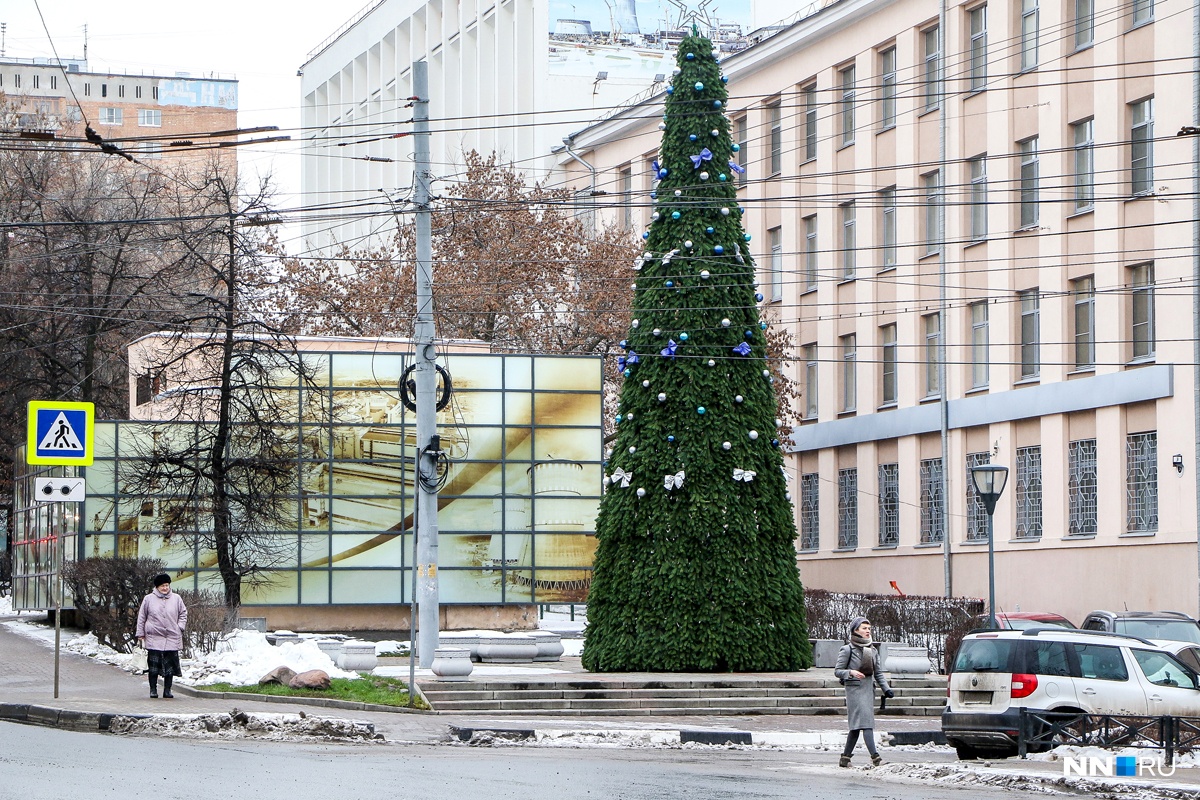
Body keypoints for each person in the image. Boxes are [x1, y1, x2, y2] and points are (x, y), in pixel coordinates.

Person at [833, 616, 895, 767]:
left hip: (868, 690)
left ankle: (845, 758)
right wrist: (851, 673)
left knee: (855, 727)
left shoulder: (871, 649)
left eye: (869, 629)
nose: (868, 631)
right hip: (854, 690)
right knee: (866, 724)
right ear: (855, 631)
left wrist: (886, 689)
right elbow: (838, 671)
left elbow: (878, 673)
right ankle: (876, 758)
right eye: (864, 628)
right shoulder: (847, 649)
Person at [136, 573, 187, 699]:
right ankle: (153, 690)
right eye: (162, 586)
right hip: (154, 637)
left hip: (171, 636)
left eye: (167, 585)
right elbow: (142, 617)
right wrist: (140, 633)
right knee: (153, 667)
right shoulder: (148, 599)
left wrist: (179, 627)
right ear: (157, 587)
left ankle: (167, 690)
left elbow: (183, 614)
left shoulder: (176, 598)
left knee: (169, 667)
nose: (165, 588)